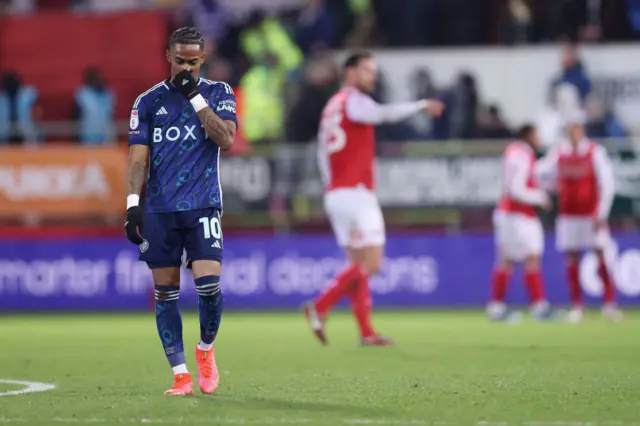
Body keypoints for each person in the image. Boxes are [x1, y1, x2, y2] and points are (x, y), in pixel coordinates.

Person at [124, 27, 238, 396]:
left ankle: (205, 350)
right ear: (167, 56)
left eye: (193, 62)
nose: (186, 68)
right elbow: (138, 159)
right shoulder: (148, 102)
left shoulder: (219, 93)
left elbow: (227, 139)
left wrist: (195, 99)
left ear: (202, 59)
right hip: (160, 209)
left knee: (209, 287)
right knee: (166, 294)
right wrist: (132, 206)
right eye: (179, 61)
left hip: (203, 202)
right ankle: (180, 374)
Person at [303, 51, 444, 346]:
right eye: (367, 70)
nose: (373, 76)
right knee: (373, 263)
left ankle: (366, 332)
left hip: (336, 194)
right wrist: (419, 105)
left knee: (357, 267)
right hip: (356, 193)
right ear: (350, 72)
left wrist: (331, 187)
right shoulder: (354, 100)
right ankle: (320, 305)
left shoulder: (331, 106)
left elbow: (321, 153)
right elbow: (382, 113)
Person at [536, 117, 622, 323]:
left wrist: (602, 213)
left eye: (576, 131)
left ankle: (609, 304)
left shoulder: (595, 152)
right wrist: (546, 188)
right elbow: (542, 172)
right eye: (570, 131)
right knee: (571, 258)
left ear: (582, 132)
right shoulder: (559, 152)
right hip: (568, 215)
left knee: (601, 254)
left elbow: (607, 183)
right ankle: (577, 306)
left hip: (590, 214)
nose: (573, 135)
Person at [487, 124, 559, 323]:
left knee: (528, 257)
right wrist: (540, 198)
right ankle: (500, 307)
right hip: (514, 215)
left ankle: (535, 305)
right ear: (528, 135)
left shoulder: (516, 152)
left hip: (517, 215)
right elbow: (516, 189)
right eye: (537, 134)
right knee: (510, 259)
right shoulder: (522, 154)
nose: (540, 138)